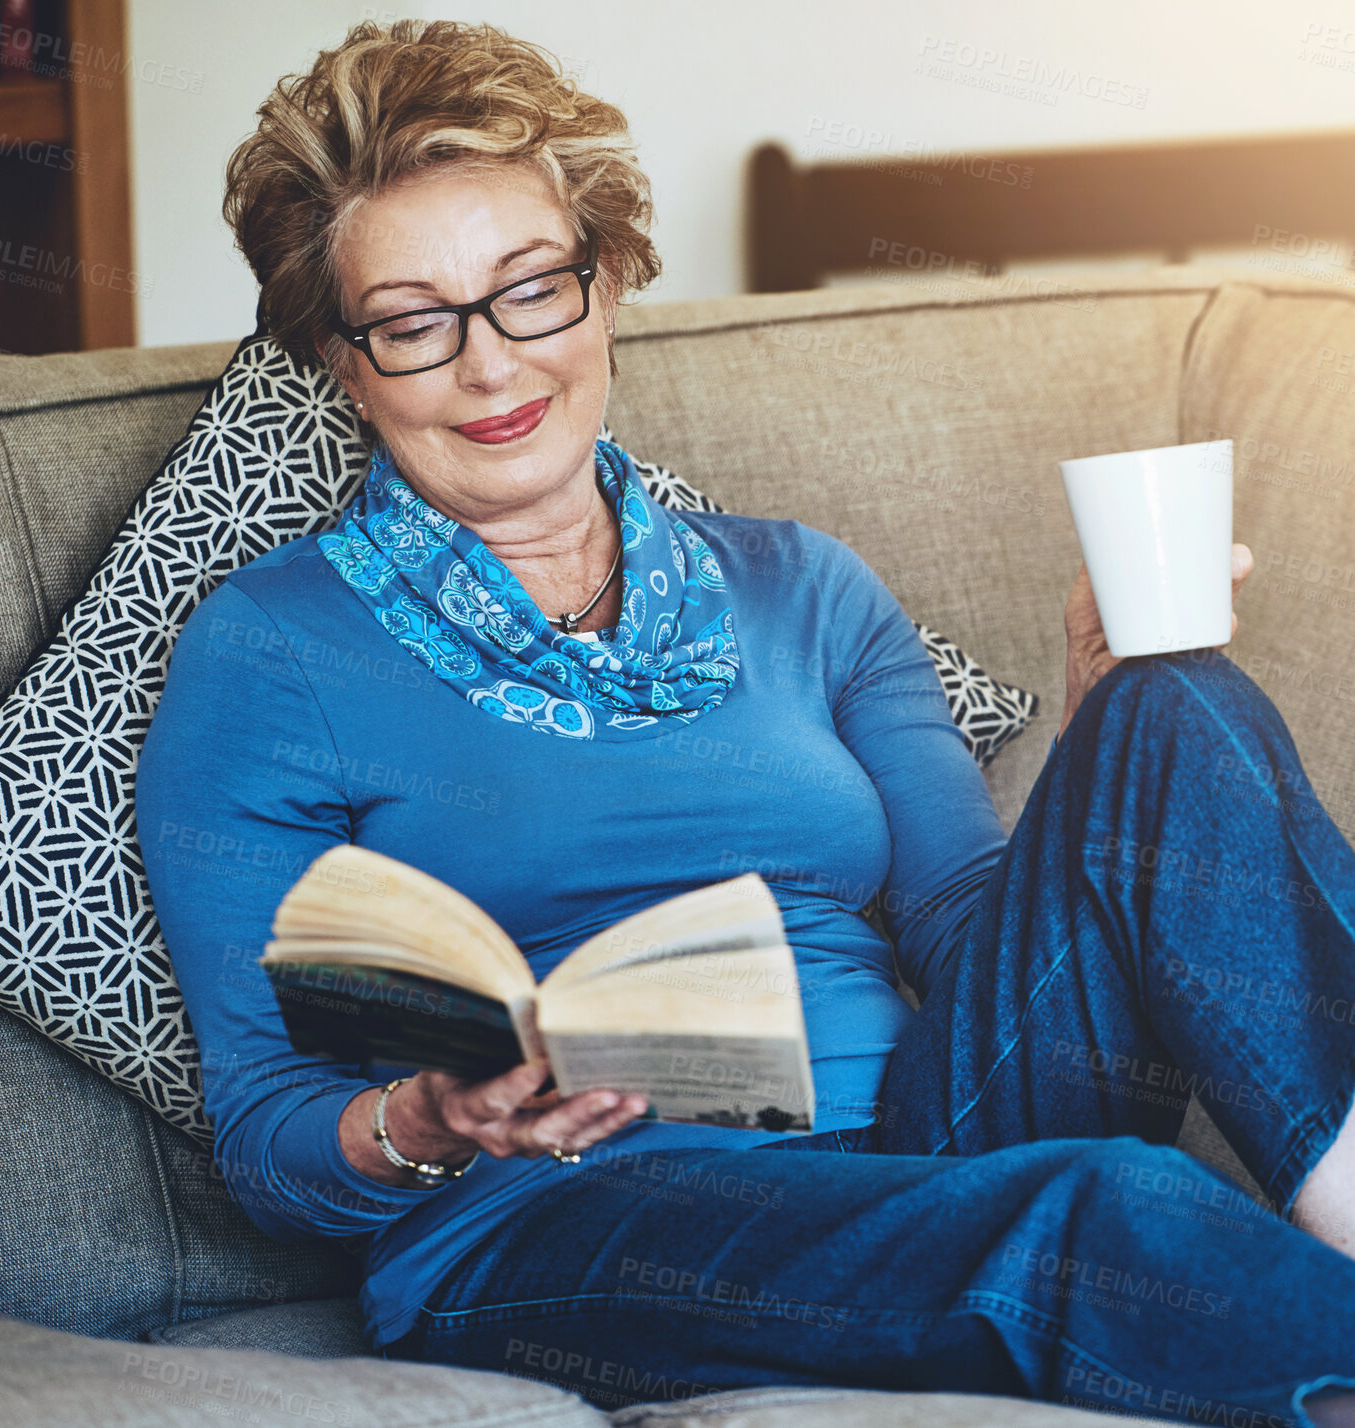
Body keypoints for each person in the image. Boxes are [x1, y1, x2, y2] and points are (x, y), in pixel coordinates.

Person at [134, 19, 1355, 1426]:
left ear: (604, 288)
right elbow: (268, 1132)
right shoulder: (273, 651)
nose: (489, 364)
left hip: (921, 1142)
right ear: (344, 362)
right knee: (1114, 1204)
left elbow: (971, 929)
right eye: (414, 322)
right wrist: (422, 1117)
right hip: (566, 1210)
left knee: (1174, 701)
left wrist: (1101, 771)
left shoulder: (806, 589)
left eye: (530, 289)